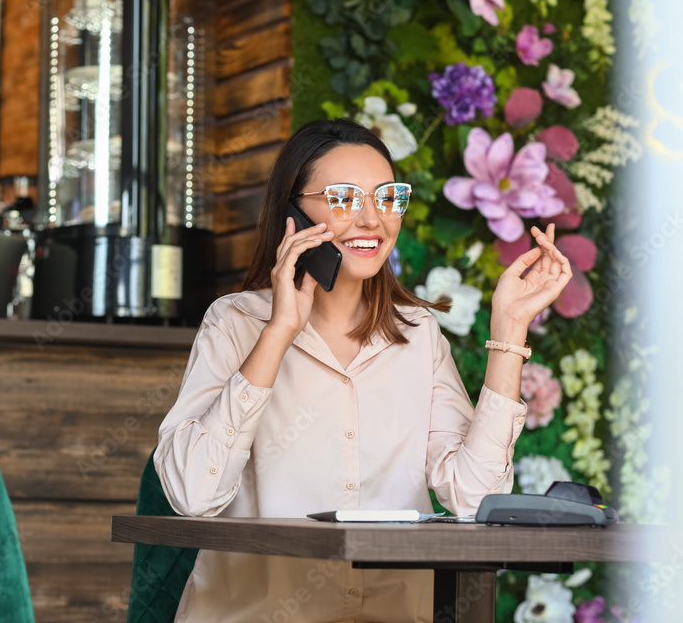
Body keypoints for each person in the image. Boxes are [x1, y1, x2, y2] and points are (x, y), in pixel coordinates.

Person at [154, 119, 572, 622]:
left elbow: (474, 499)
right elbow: (192, 495)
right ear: (293, 210)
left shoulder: (418, 333)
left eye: (387, 198)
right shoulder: (235, 322)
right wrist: (279, 331)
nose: (373, 219)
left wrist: (509, 331)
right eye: (345, 198)